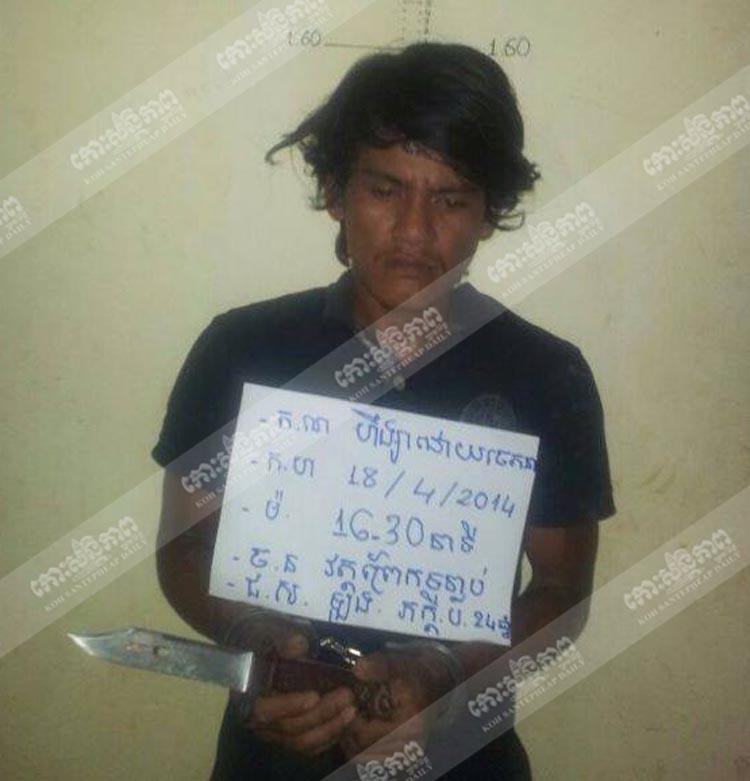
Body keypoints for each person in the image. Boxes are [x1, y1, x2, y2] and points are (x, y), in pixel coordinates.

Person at [152, 42, 616, 779]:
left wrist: (444, 673)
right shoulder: (242, 348)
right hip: (270, 750)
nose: (415, 231)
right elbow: (183, 547)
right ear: (336, 192)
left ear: (488, 213)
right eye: (385, 189)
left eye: (451, 199)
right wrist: (253, 638)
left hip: (463, 754)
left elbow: (562, 590)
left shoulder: (544, 373)